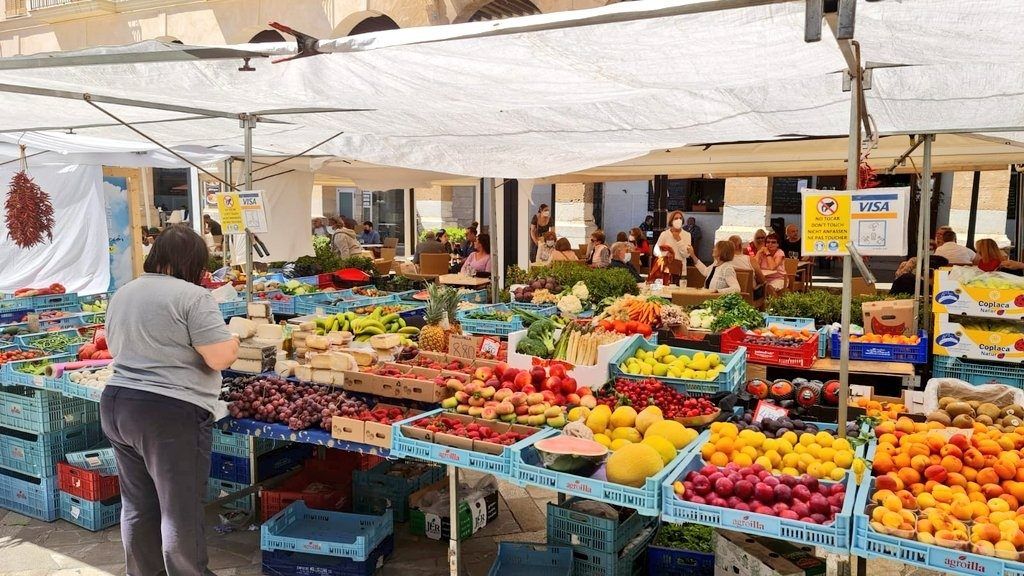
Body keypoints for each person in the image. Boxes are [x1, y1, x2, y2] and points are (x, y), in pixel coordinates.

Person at [101, 225, 239, 576]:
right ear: (194, 262)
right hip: (168, 413)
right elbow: (220, 358)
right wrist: (235, 338)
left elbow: (115, 348)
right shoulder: (192, 296)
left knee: (138, 506)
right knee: (180, 511)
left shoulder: (124, 292)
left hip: (118, 404)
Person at [654, 210, 692, 278]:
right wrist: (665, 254)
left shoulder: (687, 235)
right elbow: (655, 251)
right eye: (676, 218)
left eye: (680, 218)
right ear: (671, 221)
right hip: (666, 269)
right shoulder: (664, 234)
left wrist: (679, 240)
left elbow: (686, 254)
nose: (678, 220)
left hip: (681, 271)